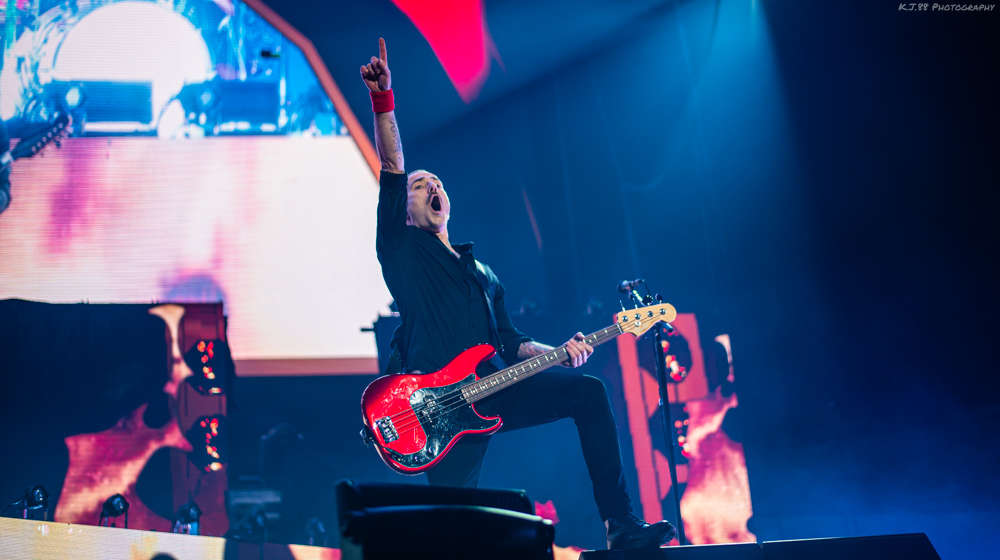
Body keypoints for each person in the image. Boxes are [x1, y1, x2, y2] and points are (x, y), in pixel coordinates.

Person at [361, 38, 676, 550]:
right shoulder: (401, 251)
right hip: (437, 409)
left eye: (436, 182)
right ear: (406, 211)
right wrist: (383, 99)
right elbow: (394, 163)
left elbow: (509, 343)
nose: (430, 185)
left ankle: (620, 526)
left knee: (588, 392)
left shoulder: (483, 273)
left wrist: (557, 352)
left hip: (492, 388)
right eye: (421, 186)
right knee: (451, 533)